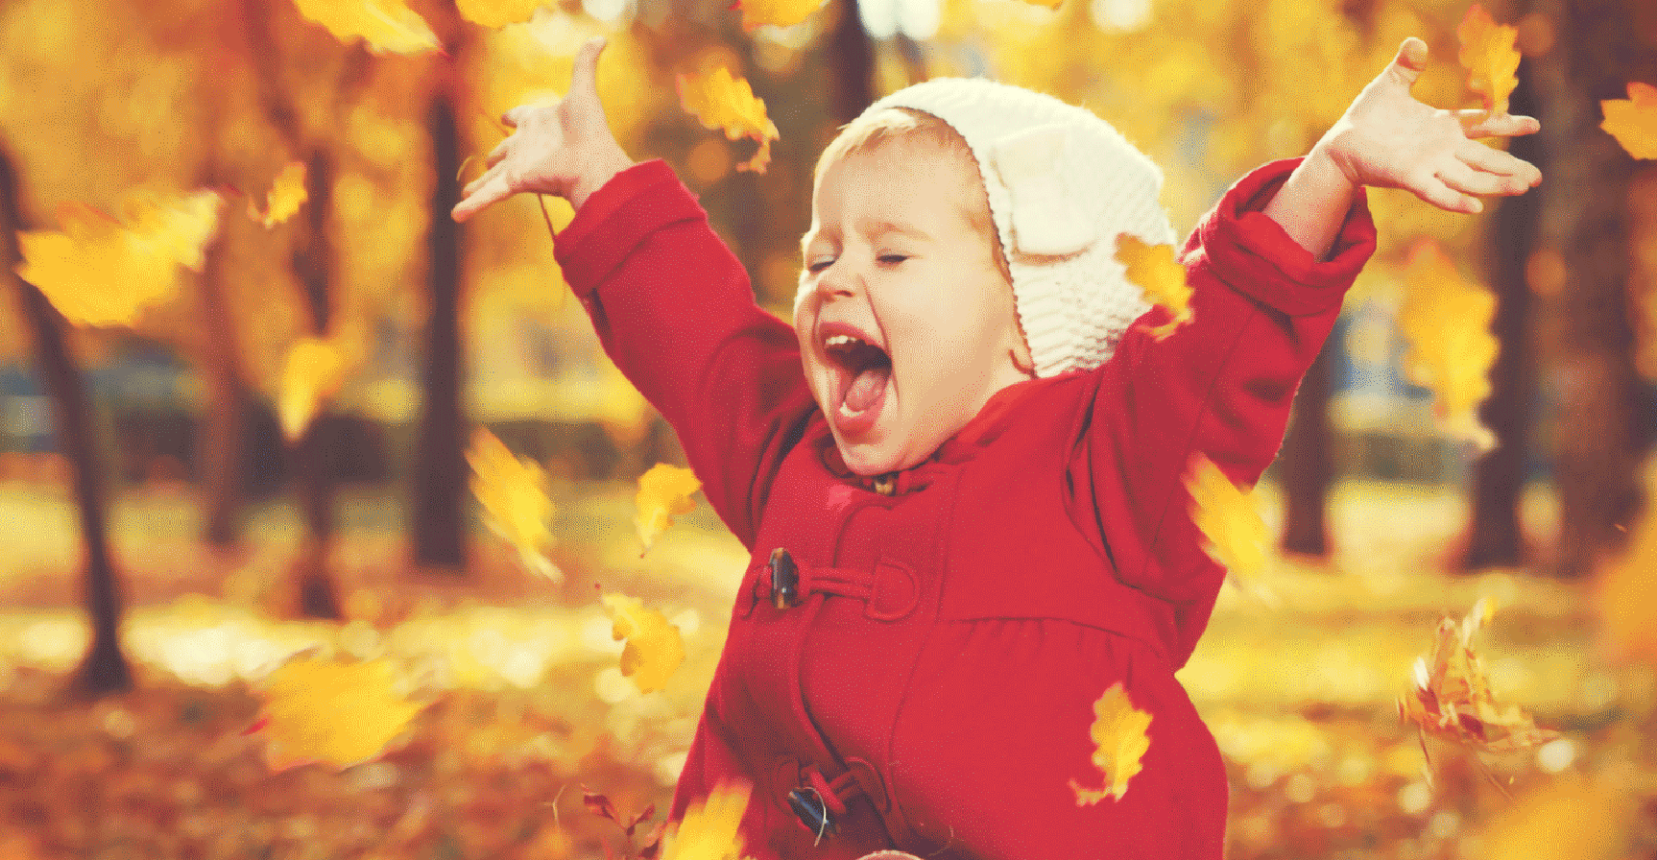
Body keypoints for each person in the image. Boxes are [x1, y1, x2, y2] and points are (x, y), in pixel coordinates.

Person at [452, 35, 1540, 860]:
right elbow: (701, 339)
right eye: (820, 250)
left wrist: (1332, 173)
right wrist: (596, 178)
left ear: (1028, 322)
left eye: (892, 252)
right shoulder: (797, 458)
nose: (835, 277)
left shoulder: (1108, 479)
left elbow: (1218, 351)